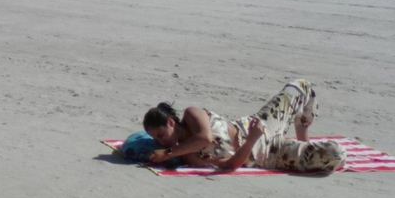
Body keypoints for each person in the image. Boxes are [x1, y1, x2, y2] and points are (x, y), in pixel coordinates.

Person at [142, 80, 346, 173]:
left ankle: (303, 133)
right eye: (156, 139)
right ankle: (303, 148)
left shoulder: (191, 114)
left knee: (302, 86)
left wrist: (167, 153)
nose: (161, 141)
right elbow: (230, 165)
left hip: (257, 122)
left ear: (171, 123)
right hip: (269, 153)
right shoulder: (189, 156)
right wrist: (251, 140)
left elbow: (204, 138)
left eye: (160, 134)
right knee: (335, 154)